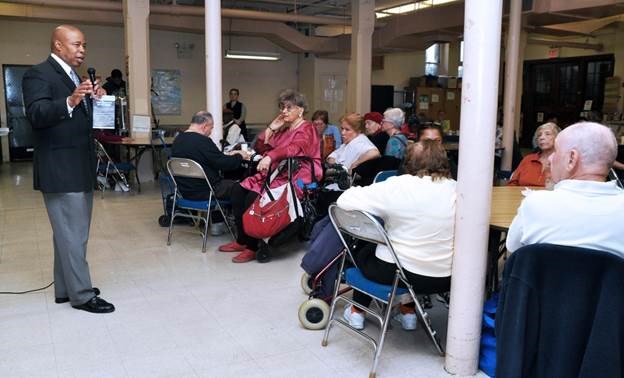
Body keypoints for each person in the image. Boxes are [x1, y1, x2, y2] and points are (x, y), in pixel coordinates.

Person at [21, 25, 114, 313]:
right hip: (61, 168)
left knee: (67, 233)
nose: (82, 50)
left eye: (83, 45)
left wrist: (94, 100)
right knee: (74, 234)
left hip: (79, 165)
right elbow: (36, 114)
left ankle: (65, 288)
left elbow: (80, 122)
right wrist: (71, 100)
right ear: (58, 46)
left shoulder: (75, 76)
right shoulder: (38, 73)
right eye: (75, 44)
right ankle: (83, 295)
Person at [337, 140, 456, 330]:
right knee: (403, 249)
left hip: (402, 276)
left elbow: (344, 200)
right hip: (447, 277)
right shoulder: (457, 189)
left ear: (408, 162)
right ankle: (407, 312)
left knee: (363, 247)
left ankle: (357, 311)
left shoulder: (398, 186)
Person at [219, 89, 322, 263]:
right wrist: (270, 129)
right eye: (282, 107)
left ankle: (252, 246)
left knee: (254, 196)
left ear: (301, 110)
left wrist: (270, 157)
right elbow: (261, 147)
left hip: (297, 175)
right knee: (237, 190)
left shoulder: (307, 129)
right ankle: (242, 240)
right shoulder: (284, 130)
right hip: (277, 173)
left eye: (289, 108)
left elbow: (294, 149)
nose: (284, 111)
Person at [506, 122, 624, 257]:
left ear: (571, 159)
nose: (550, 158)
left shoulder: (536, 203)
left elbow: (513, 250)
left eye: (556, 151)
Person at [171, 111, 250, 201]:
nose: (210, 132)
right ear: (205, 126)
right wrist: (239, 156)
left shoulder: (177, 140)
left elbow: (203, 158)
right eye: (211, 128)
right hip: (207, 190)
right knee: (243, 187)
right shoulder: (203, 141)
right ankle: (238, 215)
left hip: (184, 191)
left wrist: (225, 156)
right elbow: (223, 164)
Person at [508, 122, 560, 187]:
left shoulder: (563, 162)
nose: (541, 138)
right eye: (539, 135)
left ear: (558, 138)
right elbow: (512, 183)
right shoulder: (528, 159)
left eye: (547, 134)